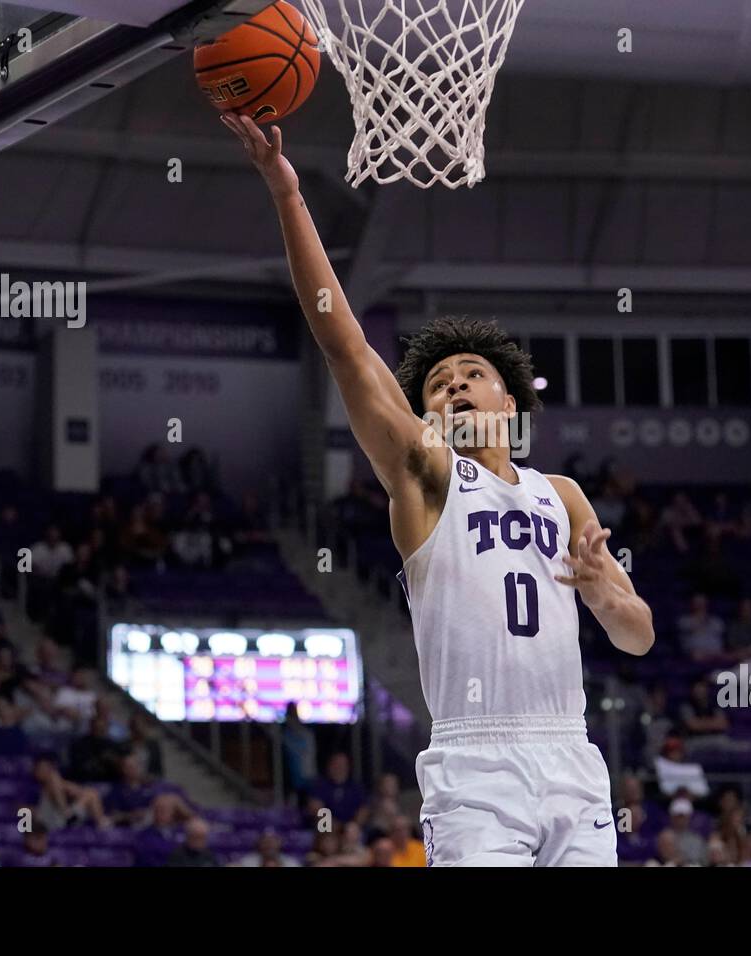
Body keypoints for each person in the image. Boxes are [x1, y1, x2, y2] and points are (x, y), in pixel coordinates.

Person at [225, 113, 654, 868]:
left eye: (471, 377)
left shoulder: (563, 495)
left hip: (573, 761)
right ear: (427, 416)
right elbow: (344, 342)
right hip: (477, 768)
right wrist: (287, 191)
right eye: (438, 384)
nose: (454, 386)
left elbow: (638, 635)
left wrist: (605, 596)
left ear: (511, 405)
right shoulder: (427, 476)